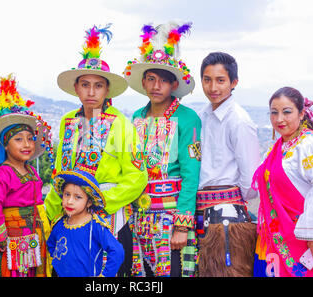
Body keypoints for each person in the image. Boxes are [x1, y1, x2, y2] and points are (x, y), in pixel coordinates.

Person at [44, 24, 148, 276]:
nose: (91, 92)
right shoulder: (68, 121)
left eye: (98, 85)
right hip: (69, 217)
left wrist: (98, 201)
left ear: (107, 90)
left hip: (106, 219)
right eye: (85, 85)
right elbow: (60, 170)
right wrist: (49, 209)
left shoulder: (121, 125)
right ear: (76, 88)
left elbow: (137, 177)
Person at [123, 22, 201, 277]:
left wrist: (182, 224)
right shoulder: (136, 116)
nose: (157, 86)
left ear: (173, 85)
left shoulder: (188, 119)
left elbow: (191, 175)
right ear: (144, 82)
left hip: (170, 218)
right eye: (151, 79)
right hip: (138, 217)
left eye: (164, 81)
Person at [252, 86, 313, 277]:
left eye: (287, 112)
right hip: (275, 238)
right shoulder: (279, 147)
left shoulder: (312, 144)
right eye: (274, 113)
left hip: (305, 243)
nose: (279, 119)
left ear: (302, 113)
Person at [195, 52, 260, 276]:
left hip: (228, 221)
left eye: (220, 80)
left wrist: (229, 198)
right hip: (200, 215)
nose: (213, 87)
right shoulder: (201, 116)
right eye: (207, 79)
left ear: (234, 83)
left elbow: (251, 182)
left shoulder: (239, 121)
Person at [0, 74, 53, 277]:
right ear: (5, 145)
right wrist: (0, 237)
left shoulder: (31, 170)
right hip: (13, 238)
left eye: (31, 139)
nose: (27, 144)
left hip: (34, 235)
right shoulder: (1, 173)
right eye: (18, 139)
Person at [47, 170, 125, 277]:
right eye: (67, 194)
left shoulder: (96, 226)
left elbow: (117, 251)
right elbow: (51, 246)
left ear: (89, 202)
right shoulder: (59, 224)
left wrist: (106, 275)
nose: (69, 201)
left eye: (77, 197)